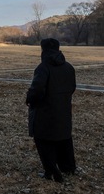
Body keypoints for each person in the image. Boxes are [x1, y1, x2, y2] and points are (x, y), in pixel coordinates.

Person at [26, 38, 76, 183]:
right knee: (64, 138)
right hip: (64, 110)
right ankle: (68, 167)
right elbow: (72, 87)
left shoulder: (43, 68)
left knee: (44, 140)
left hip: (45, 112)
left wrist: (29, 99)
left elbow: (37, 90)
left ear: (43, 50)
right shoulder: (69, 67)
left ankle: (52, 172)